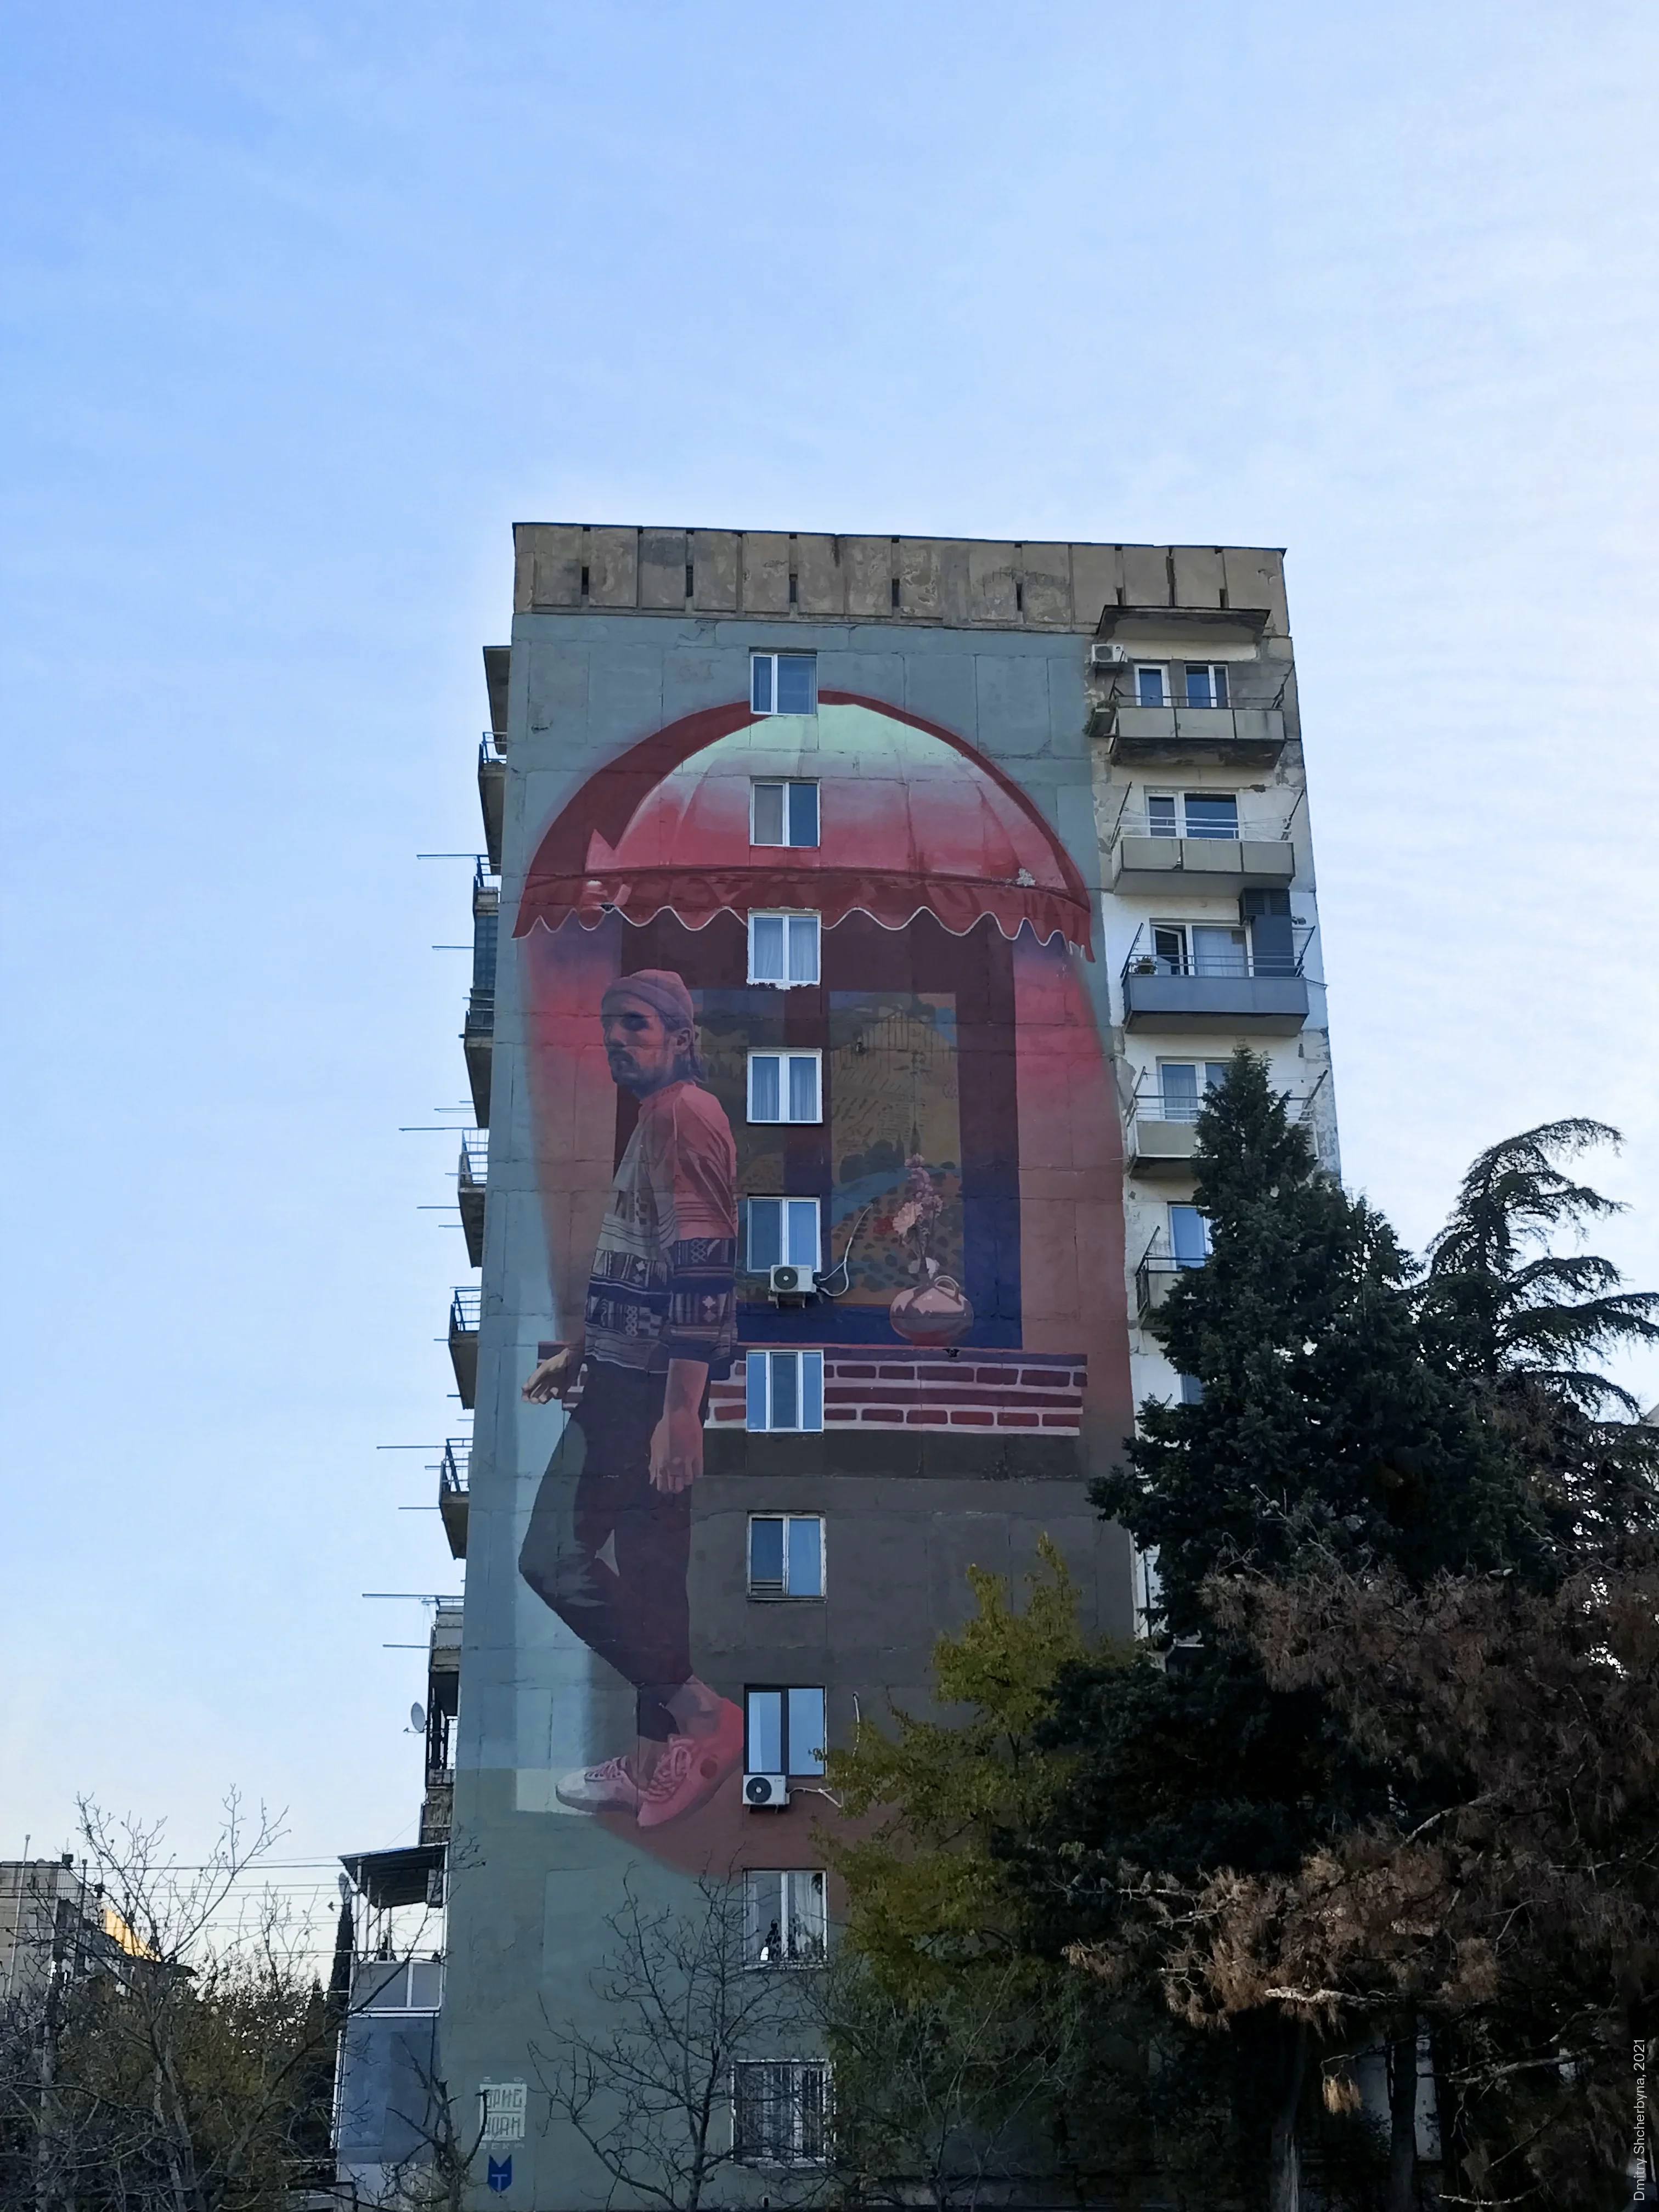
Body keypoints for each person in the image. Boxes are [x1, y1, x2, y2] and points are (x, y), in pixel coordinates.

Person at [518, 969, 744, 1827]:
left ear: (681, 1037)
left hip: (645, 1387)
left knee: (551, 1557)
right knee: (651, 1578)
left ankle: (700, 1714)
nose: (618, 1039)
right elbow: (647, 1264)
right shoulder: (656, 1118)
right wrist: (579, 1350)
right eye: (612, 1025)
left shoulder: (686, 1117)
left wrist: (680, 1410)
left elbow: (702, 1269)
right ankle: (653, 1765)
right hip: (625, 1372)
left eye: (638, 1025)